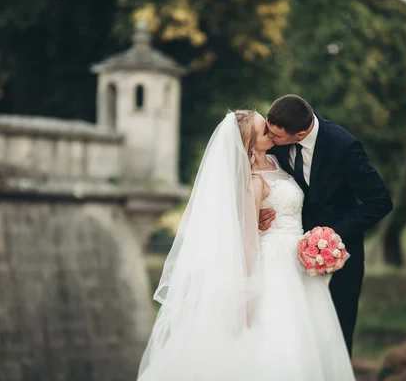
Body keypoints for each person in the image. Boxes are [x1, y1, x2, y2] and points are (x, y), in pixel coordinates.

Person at [137, 109, 356, 380]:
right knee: (280, 340)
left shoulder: (279, 162)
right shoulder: (253, 180)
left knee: (311, 336)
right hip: (274, 267)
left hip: (297, 261)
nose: (273, 132)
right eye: (265, 131)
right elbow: (248, 239)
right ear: (250, 145)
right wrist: (247, 294)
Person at [261, 94, 394, 356]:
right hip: (288, 257)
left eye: (275, 136)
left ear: (299, 134)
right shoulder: (273, 142)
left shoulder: (343, 145)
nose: (269, 138)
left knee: (336, 334)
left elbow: (380, 201)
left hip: (340, 258)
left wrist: (334, 234)